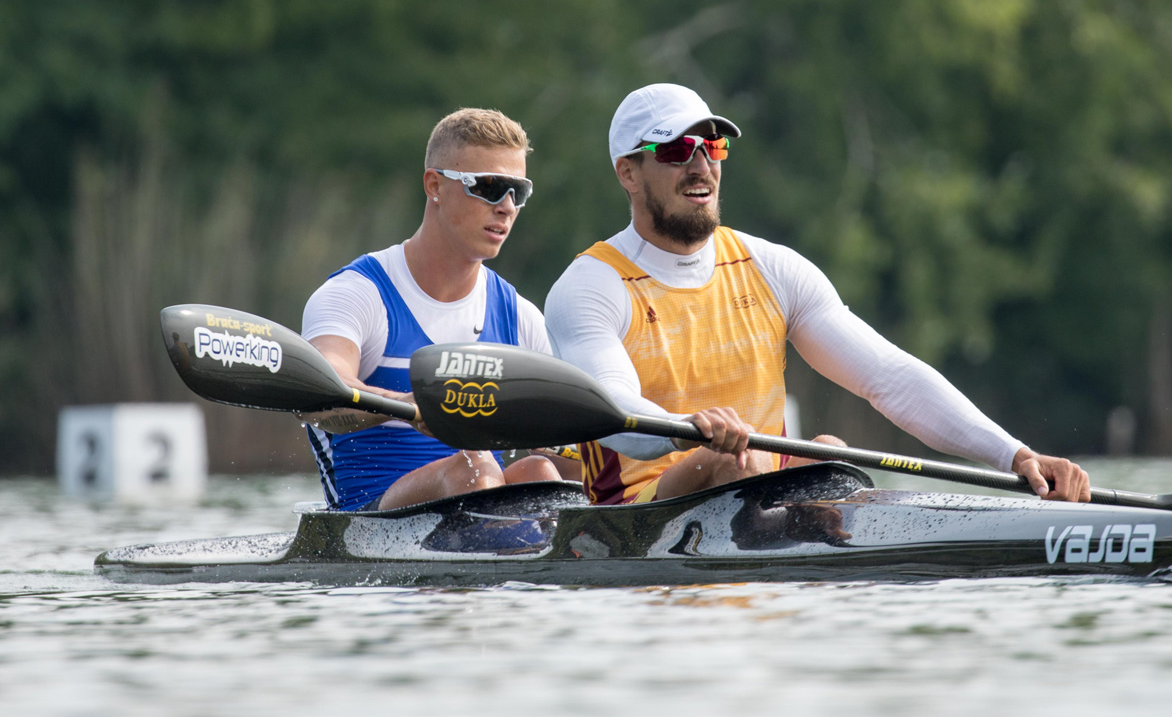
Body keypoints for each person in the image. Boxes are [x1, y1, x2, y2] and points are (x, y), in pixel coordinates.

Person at [544, 83, 1090, 505]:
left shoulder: (771, 268)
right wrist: (690, 433)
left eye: (711, 145)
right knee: (732, 461)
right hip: (637, 516)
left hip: (755, 490)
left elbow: (889, 378)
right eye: (676, 149)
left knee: (831, 459)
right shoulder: (592, 285)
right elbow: (615, 415)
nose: (700, 164)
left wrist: (1014, 454)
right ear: (628, 173)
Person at [299, 107, 563, 511]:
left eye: (518, 192)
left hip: (478, 507)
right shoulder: (357, 294)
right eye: (490, 186)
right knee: (472, 468)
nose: (507, 206)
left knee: (540, 472)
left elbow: (573, 434)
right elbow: (321, 397)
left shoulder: (519, 316)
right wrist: (408, 406)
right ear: (435, 185)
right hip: (369, 524)